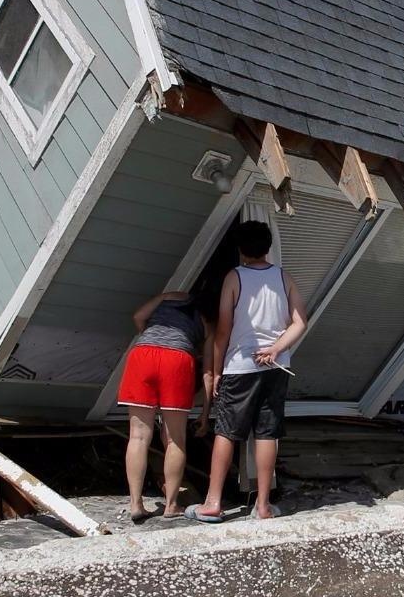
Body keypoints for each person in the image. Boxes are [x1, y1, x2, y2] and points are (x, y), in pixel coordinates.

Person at [189, 219, 306, 523]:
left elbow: (223, 330)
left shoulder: (234, 277)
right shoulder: (284, 278)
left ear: (241, 249)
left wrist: (214, 371)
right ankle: (263, 506)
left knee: (227, 431)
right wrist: (276, 348)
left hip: (240, 366)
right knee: (267, 434)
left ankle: (212, 503)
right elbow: (299, 323)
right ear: (268, 248)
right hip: (277, 367)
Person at [116, 283, 209, 523]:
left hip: (143, 354)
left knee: (137, 435)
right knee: (175, 438)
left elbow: (138, 317)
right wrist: (207, 410)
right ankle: (171, 505)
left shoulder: (169, 299)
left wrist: (163, 296)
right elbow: (208, 370)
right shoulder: (208, 321)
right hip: (178, 359)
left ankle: (136, 504)